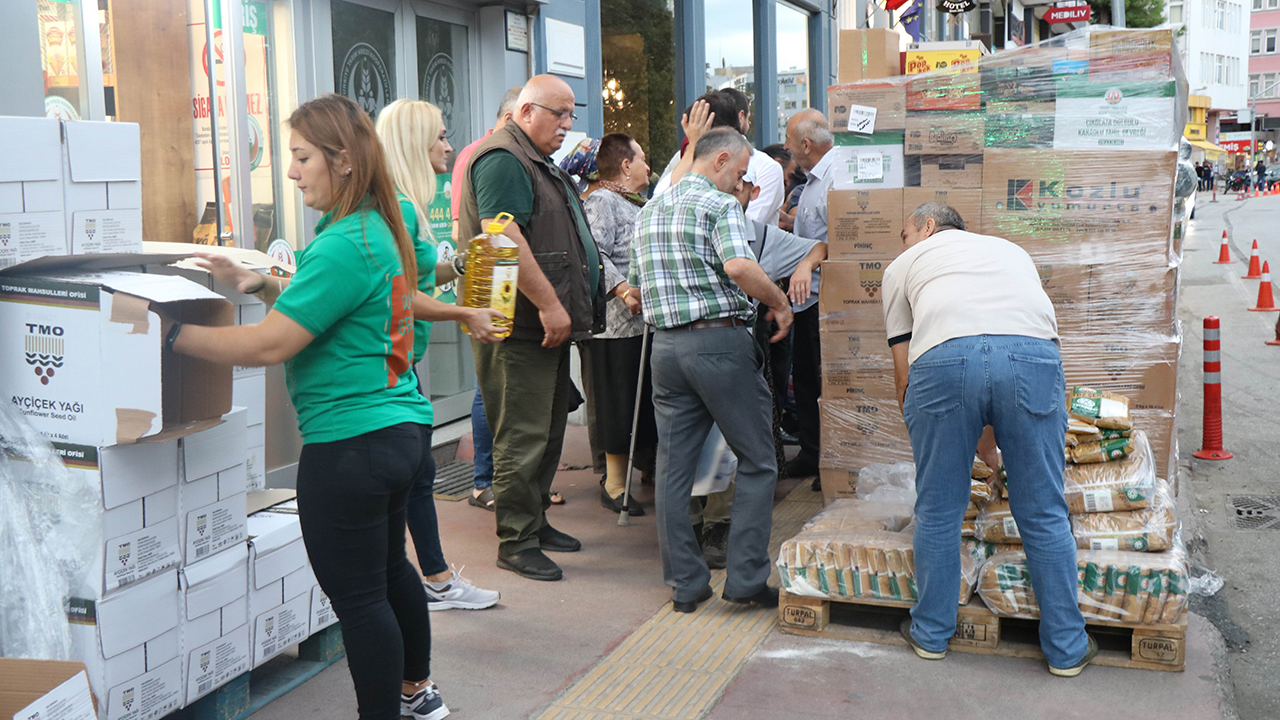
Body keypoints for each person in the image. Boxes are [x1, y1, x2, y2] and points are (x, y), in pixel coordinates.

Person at [169, 94, 506, 720]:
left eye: (301, 157)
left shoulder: (344, 241)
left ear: (343, 160)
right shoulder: (379, 227)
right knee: (387, 573)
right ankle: (418, 693)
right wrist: (266, 282)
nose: (291, 171)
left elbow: (272, 344)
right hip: (399, 429)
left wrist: (167, 335)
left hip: (350, 443)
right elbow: (344, 305)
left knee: (358, 598)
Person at [883, 202, 1097, 677]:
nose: (901, 244)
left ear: (928, 227)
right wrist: (989, 430)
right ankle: (1066, 647)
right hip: (1032, 357)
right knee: (1043, 509)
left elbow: (905, 371)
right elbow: (1007, 349)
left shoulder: (902, 267)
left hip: (942, 362)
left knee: (938, 510)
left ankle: (931, 635)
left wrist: (930, 434)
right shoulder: (1011, 250)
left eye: (904, 232)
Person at [628, 127, 793, 613]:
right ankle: (744, 580)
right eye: (740, 173)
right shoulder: (719, 206)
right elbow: (740, 267)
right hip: (719, 343)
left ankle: (685, 585)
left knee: (673, 470)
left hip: (665, 349)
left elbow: (636, 291)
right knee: (760, 459)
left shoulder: (650, 211)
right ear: (721, 160)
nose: (739, 183)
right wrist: (780, 303)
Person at [457, 75, 607, 582]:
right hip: (518, 324)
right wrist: (548, 305)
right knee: (520, 437)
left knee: (545, 430)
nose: (568, 125)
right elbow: (502, 237)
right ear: (525, 111)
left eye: (571, 115)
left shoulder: (532, 158)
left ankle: (535, 522)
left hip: (538, 324)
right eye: (558, 114)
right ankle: (516, 539)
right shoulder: (503, 157)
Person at [375, 98, 501, 612]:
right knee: (414, 476)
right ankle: (434, 579)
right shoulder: (402, 208)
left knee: (416, 476)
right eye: (440, 136)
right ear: (414, 144)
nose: (449, 146)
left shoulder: (403, 204)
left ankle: (432, 577)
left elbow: (418, 279)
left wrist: (465, 262)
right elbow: (400, 295)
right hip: (392, 365)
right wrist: (466, 314)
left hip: (398, 362)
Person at [450, 86, 522, 511]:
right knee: (488, 385)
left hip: (494, 283)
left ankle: (495, 478)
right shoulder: (486, 155)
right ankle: (483, 480)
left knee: (494, 384)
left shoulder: (491, 152)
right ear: (515, 115)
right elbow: (474, 232)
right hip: (490, 284)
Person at [576, 133, 656, 515]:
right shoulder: (603, 201)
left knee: (634, 402)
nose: (648, 166)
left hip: (639, 325)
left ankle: (635, 474)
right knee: (616, 403)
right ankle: (614, 485)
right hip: (614, 327)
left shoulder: (632, 202)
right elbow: (594, 252)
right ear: (625, 165)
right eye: (642, 159)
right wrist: (624, 289)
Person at [780, 109, 835, 485]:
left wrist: (807, 263)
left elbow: (839, 238)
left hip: (825, 298)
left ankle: (828, 459)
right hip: (804, 297)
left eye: (788, 140)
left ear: (805, 144)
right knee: (803, 380)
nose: (785, 148)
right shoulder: (813, 180)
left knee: (821, 382)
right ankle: (812, 452)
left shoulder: (835, 177)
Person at [651, 91, 785, 227]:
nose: (738, 186)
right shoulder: (687, 156)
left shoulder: (767, 168)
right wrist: (692, 148)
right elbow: (656, 207)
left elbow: (743, 226)